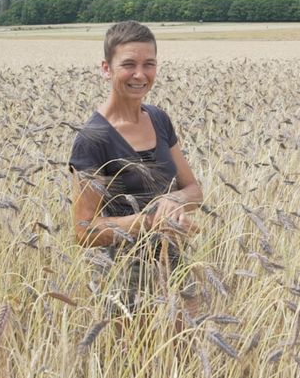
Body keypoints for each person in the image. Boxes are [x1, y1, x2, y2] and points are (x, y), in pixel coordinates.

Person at [68, 20, 203, 314]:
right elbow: (84, 231)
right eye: (128, 64)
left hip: (174, 262)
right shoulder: (93, 139)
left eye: (149, 64)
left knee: (187, 352)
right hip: (123, 279)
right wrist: (151, 221)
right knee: (137, 357)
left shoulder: (159, 119)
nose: (140, 74)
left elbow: (194, 190)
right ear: (107, 69)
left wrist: (173, 199)